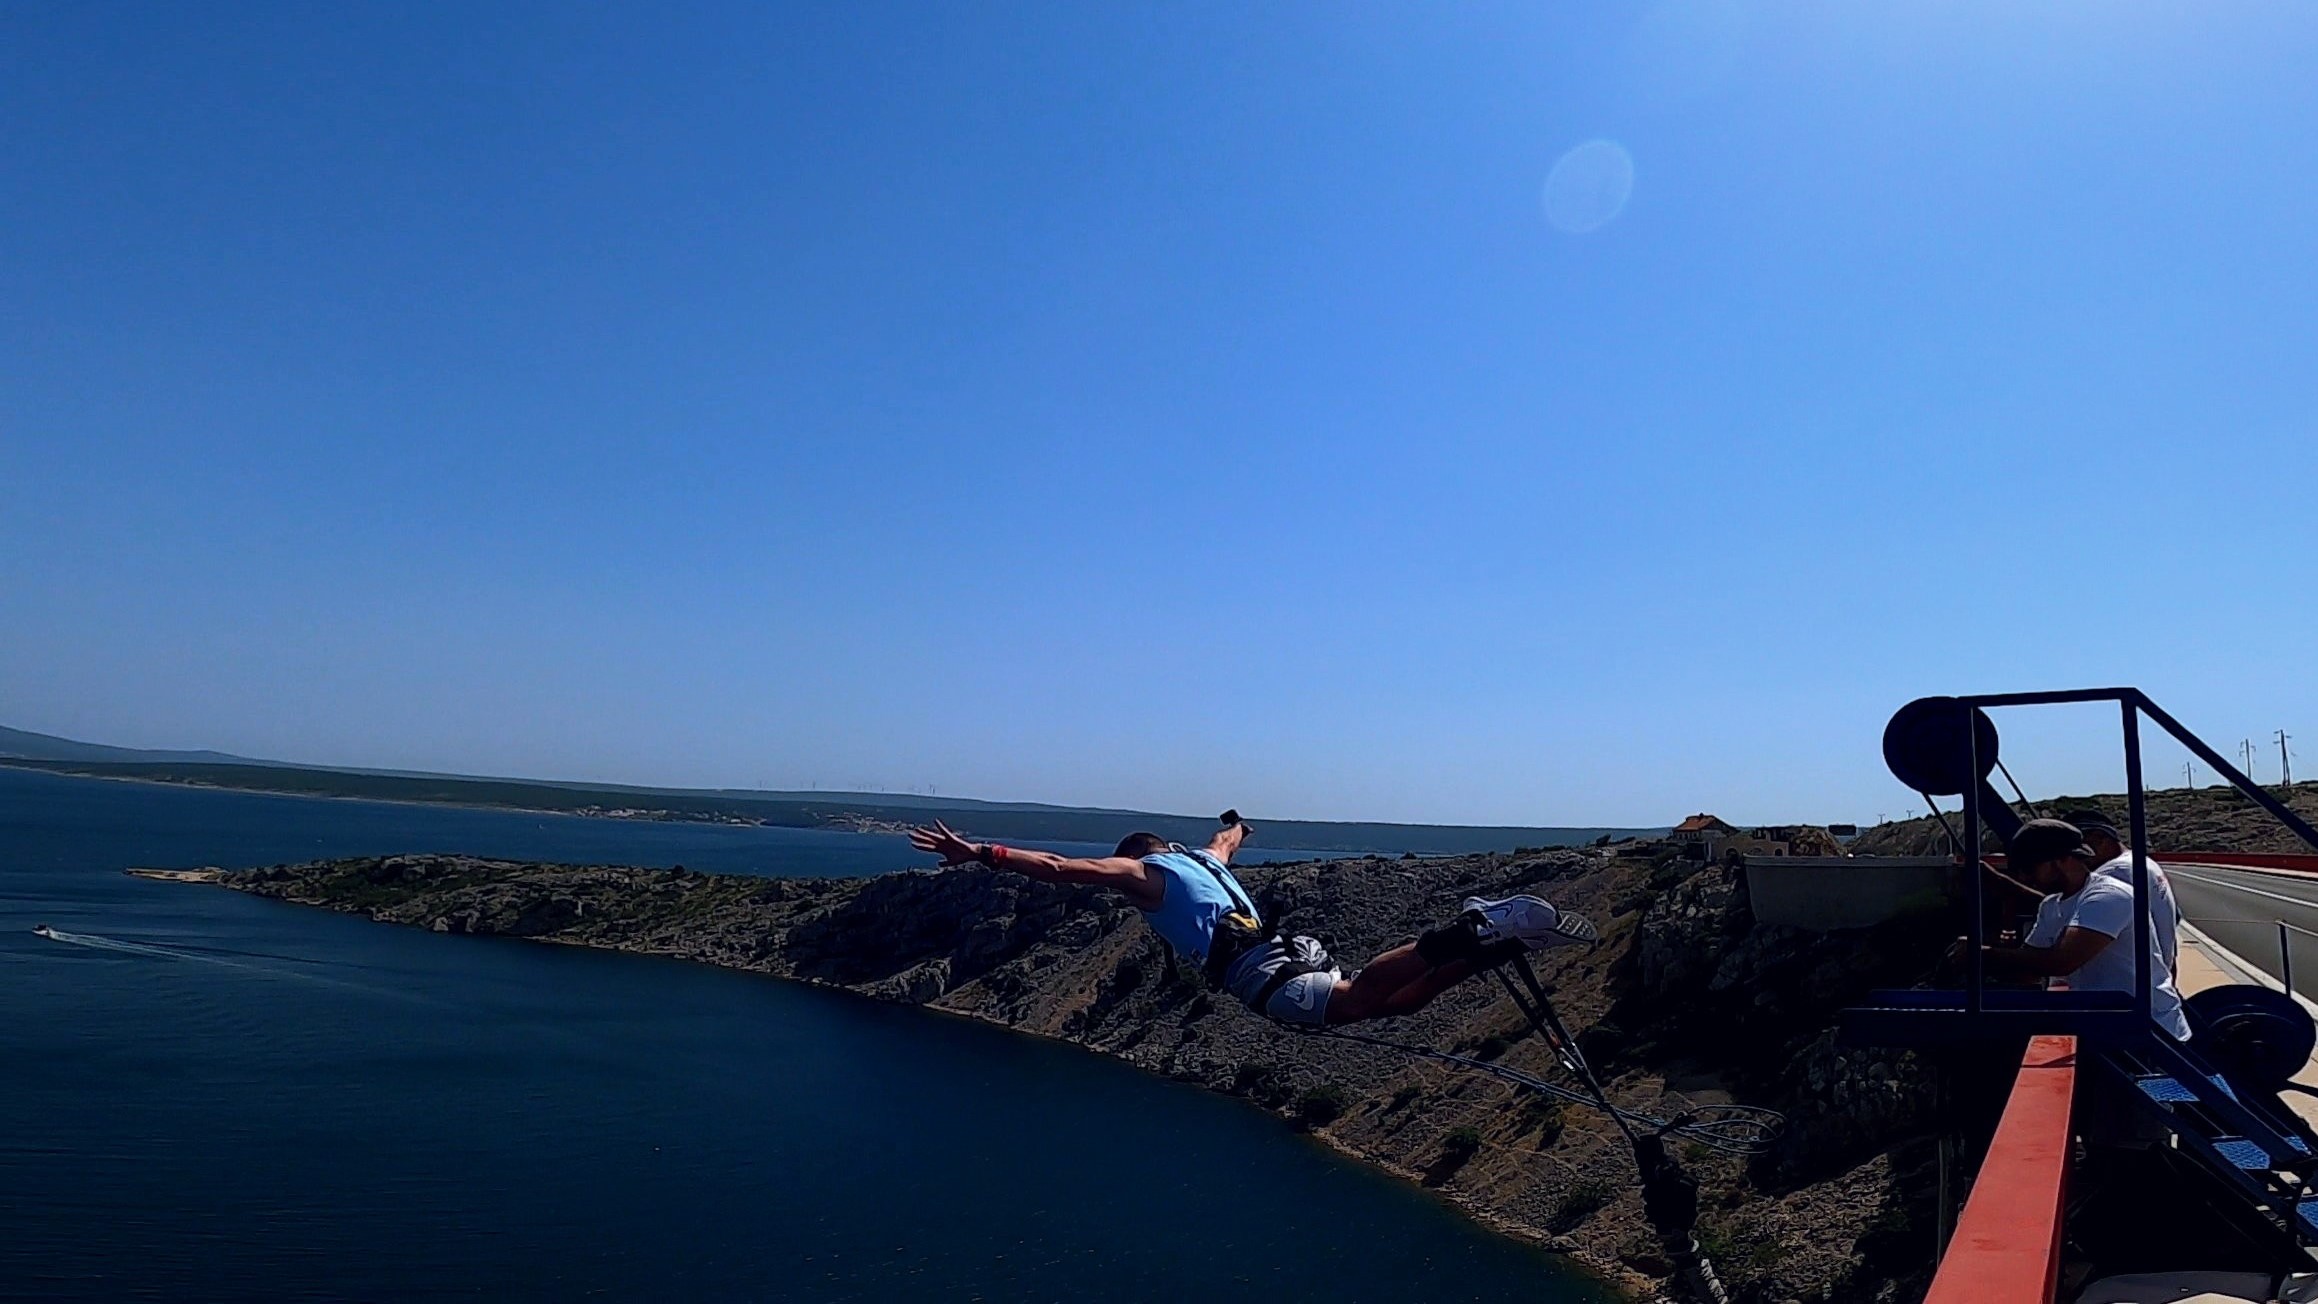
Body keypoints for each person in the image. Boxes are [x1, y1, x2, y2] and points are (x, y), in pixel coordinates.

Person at [906, 813, 1597, 1027]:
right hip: (1280, 951)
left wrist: (984, 854)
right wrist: (1235, 824)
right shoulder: (1205, 858)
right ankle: (1491, 947)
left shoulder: (1146, 874)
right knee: (1387, 1006)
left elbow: (1059, 866)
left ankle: (1469, 932)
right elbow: (1231, 836)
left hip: (1259, 970)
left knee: (1361, 998)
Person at [1957, 817, 2189, 1039]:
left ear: (2060, 860)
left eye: (2028, 868)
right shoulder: (2051, 906)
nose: (2024, 878)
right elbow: (2027, 972)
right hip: (2112, 1024)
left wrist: (1982, 955)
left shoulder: (2108, 895)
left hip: (2152, 1031)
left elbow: (2062, 961)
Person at [2057, 807, 2179, 973]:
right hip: (2152, 974)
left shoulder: (2116, 873)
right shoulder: (2139, 863)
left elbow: (2069, 948)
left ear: (2100, 838)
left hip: (2130, 984)